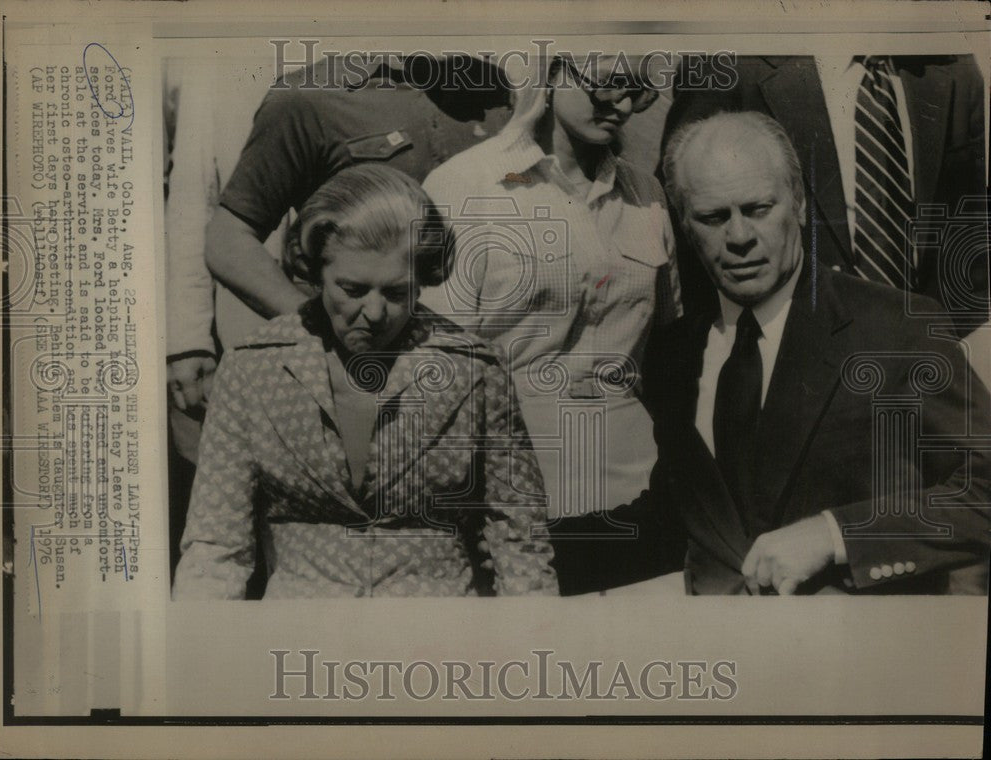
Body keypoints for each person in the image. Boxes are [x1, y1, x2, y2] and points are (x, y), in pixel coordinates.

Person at [558, 111, 991, 595]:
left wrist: (834, 534)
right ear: (684, 223)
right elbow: (682, 522)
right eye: (713, 217)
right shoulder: (673, 354)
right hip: (720, 661)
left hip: (850, 657)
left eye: (758, 208)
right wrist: (513, 545)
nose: (740, 237)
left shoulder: (895, 330)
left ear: (800, 203)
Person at [172, 165, 558, 599]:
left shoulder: (475, 372)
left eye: (396, 292)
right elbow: (215, 548)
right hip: (299, 646)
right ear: (316, 271)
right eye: (352, 289)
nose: (374, 313)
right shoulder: (252, 371)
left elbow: (521, 543)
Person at [420, 55, 682, 529]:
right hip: (507, 472)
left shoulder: (647, 195)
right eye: (606, 85)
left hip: (636, 474)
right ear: (551, 70)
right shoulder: (464, 185)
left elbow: (668, 344)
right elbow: (436, 360)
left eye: (639, 92)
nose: (621, 104)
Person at [662, 54, 988, 335]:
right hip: (788, 361)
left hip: (916, 360)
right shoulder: (730, 62)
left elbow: (968, 243)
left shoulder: (953, 71)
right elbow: (690, 223)